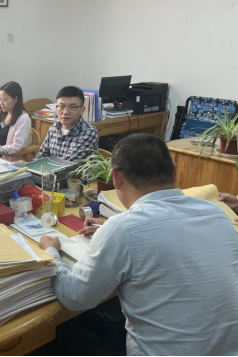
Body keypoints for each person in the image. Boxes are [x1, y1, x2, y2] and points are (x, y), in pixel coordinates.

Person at [38, 134, 238, 356]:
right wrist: (113, 227)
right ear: (173, 171)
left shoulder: (123, 230)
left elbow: (74, 297)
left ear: (116, 177)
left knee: (60, 335)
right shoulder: (215, 212)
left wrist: (51, 251)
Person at [35, 86, 99, 161]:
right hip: (50, 168)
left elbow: (67, 163)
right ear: (56, 108)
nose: (65, 112)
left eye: (72, 107)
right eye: (61, 106)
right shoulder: (53, 128)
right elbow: (42, 155)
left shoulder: (89, 132)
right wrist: (29, 166)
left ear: (82, 110)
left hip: (71, 169)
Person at [0, 82, 32, 160]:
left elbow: (17, 146)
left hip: (7, 159)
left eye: (5, 100)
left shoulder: (23, 118)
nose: (1, 103)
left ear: (16, 99)